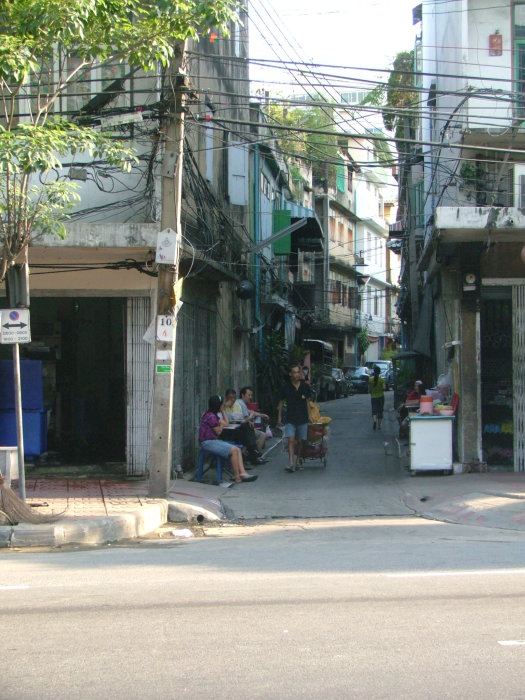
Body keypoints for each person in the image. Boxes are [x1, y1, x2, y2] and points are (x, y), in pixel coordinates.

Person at [199, 395, 257, 483]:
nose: (223, 406)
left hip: (213, 441)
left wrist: (222, 412)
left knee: (237, 449)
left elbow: (226, 423)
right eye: (222, 405)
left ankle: (243, 473)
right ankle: (237, 477)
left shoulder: (213, 415)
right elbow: (218, 431)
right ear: (217, 405)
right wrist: (221, 425)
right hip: (207, 442)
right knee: (233, 450)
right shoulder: (210, 416)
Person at [277, 364, 313, 473]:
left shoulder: (305, 387)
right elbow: (281, 403)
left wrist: (310, 416)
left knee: (301, 441)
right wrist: (279, 417)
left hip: (302, 417)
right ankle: (291, 463)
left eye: (298, 372)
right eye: (294, 372)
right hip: (290, 418)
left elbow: (308, 402)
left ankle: (298, 460)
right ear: (290, 374)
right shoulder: (286, 387)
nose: (297, 374)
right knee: (291, 440)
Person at [223, 389, 266, 465]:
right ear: (226, 398)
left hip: (238, 429)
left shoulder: (237, 405)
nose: (232, 400)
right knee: (247, 427)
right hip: (227, 432)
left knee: (248, 426)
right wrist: (225, 406)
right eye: (230, 398)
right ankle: (253, 452)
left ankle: (251, 453)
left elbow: (241, 418)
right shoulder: (222, 406)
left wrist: (249, 420)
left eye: (234, 398)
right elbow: (226, 421)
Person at [238, 386, 269, 453]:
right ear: (243, 395)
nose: (250, 397)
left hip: (241, 429)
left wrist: (261, 415)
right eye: (249, 395)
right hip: (242, 430)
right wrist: (251, 417)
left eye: (251, 395)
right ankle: (256, 456)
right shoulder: (241, 404)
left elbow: (250, 412)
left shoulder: (239, 402)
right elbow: (247, 418)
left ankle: (253, 454)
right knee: (262, 435)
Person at [369, 365, 386, 431]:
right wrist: (380, 389)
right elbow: (384, 388)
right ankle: (379, 425)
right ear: (379, 372)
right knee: (380, 411)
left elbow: (370, 388)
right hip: (381, 397)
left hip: (373, 397)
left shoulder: (370, 379)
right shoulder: (382, 380)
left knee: (374, 410)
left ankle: (375, 421)